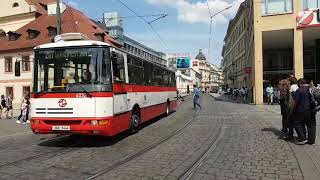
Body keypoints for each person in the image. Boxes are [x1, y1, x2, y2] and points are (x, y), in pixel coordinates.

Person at [291, 78, 310, 145]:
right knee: (302, 123)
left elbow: (296, 102)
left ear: (300, 83)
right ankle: (304, 136)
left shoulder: (299, 91)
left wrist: (292, 109)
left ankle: (302, 138)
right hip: (309, 110)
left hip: (300, 109)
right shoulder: (309, 89)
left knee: (296, 123)